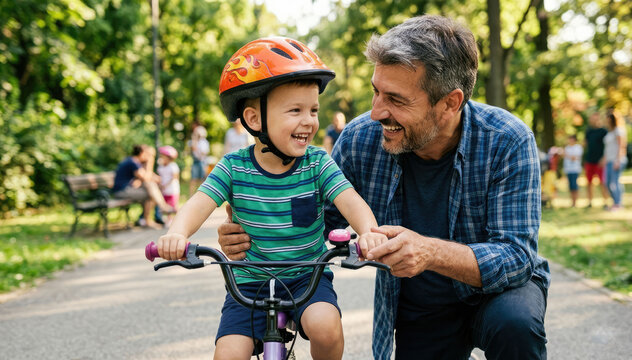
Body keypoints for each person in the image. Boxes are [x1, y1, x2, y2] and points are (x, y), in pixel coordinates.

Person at [217, 15, 550, 360]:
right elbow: (319, 221)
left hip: (499, 295)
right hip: (422, 306)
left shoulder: (507, 140)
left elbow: (517, 257)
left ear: (450, 102)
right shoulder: (361, 139)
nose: (376, 112)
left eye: (396, 99)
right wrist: (255, 226)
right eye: (376, 91)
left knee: (515, 323)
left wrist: (431, 252)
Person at [156, 37, 388, 360]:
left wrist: (369, 232)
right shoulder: (234, 167)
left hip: (308, 276)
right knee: (227, 355)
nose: (308, 120)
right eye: (295, 110)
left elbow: (350, 201)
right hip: (249, 285)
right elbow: (198, 203)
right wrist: (177, 235)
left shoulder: (317, 163)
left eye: (313, 110)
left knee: (327, 327)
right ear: (254, 120)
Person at [111, 144, 175, 228]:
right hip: (121, 191)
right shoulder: (132, 162)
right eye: (147, 154)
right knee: (150, 193)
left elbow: (149, 177)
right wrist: (150, 162)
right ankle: (159, 210)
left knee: (149, 186)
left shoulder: (134, 161)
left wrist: (154, 177)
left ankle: (159, 209)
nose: (148, 156)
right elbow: (146, 177)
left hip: (127, 189)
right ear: (141, 153)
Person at [602, 113, 628, 211]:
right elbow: (607, 148)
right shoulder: (610, 132)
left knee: (614, 182)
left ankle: (618, 204)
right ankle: (615, 202)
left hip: (617, 160)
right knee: (607, 183)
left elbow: (621, 146)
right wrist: (604, 159)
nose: (607, 121)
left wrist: (618, 160)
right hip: (609, 160)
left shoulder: (619, 131)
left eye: (609, 119)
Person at [583, 111, 609, 208]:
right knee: (589, 182)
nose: (593, 120)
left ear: (598, 119)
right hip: (589, 160)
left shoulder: (604, 131)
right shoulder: (588, 131)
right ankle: (590, 201)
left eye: (595, 118)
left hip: (600, 161)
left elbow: (607, 147)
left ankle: (606, 201)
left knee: (602, 182)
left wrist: (604, 158)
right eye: (591, 118)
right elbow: (585, 144)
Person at [156, 145, 180, 226]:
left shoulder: (173, 166)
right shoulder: (161, 167)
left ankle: (179, 218)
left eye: (163, 157)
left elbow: (174, 177)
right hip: (164, 190)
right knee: (166, 205)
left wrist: (165, 185)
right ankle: (169, 219)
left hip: (172, 189)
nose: (161, 158)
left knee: (173, 206)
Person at [188, 125, 210, 197]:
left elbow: (204, 152)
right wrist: (194, 139)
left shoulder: (205, 142)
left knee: (202, 179)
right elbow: (193, 149)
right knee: (193, 179)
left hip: (202, 162)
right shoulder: (194, 141)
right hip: (196, 161)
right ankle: (191, 195)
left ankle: (201, 195)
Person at [562, 134, 583, 207]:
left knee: (574, 186)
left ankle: (575, 202)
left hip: (575, 169)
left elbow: (575, 158)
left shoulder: (578, 148)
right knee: (570, 186)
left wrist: (567, 155)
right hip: (568, 169)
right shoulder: (567, 148)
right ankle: (572, 201)